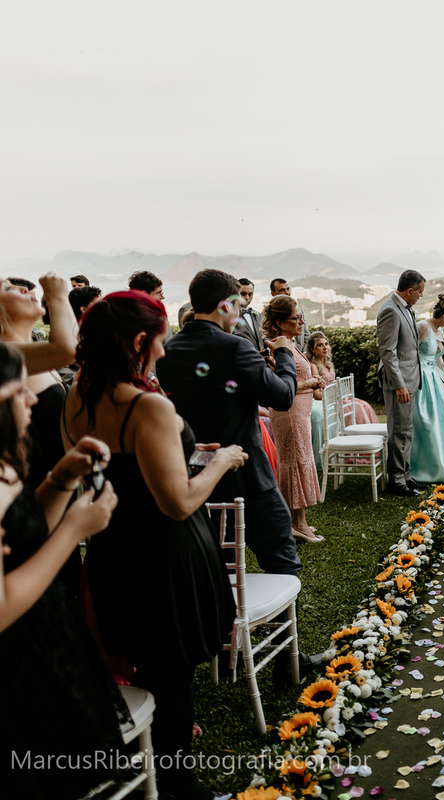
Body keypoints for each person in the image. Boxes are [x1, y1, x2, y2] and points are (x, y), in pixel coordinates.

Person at [65, 291, 247, 800]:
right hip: (164, 558)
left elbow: (110, 469)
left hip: (111, 549)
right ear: (140, 341)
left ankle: (155, 764)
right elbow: (177, 502)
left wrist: (186, 449)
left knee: (147, 664)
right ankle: (177, 785)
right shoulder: (147, 405)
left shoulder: (76, 396)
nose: (164, 352)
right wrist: (222, 460)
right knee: (172, 677)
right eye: (161, 341)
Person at [0, 348, 126, 798]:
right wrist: (74, 531)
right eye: (18, 391)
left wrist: (60, 480)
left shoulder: (5, 468)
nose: (31, 400)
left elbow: (27, 538)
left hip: (45, 639)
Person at [157, 269, 303, 581]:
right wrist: (284, 355)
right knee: (281, 556)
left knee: (214, 561)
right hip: (246, 473)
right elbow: (282, 397)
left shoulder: (167, 350)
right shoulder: (235, 347)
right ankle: (280, 622)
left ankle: (225, 622)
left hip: (195, 469)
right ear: (226, 305)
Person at [0, 275, 77, 487]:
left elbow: (73, 345)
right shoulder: (4, 355)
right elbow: (68, 349)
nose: (23, 289)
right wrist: (57, 295)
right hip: (34, 489)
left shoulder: (32, 350)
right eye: (7, 289)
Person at [263, 295, 325, 542]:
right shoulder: (281, 346)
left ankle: (298, 522)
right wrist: (311, 382)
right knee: (296, 463)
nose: (301, 322)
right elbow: (279, 384)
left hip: (298, 412)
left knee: (299, 461)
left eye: (301, 317)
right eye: (296, 318)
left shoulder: (289, 342)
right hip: (289, 414)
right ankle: (298, 525)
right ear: (280, 322)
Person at [377, 271, 425, 496]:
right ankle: (396, 481)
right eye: (420, 292)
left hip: (411, 379)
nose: (421, 296)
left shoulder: (405, 309)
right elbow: (388, 352)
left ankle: (405, 474)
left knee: (406, 430)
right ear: (410, 290)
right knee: (397, 431)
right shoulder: (390, 310)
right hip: (399, 383)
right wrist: (399, 385)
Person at [411, 294, 444, 484]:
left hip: (435, 379)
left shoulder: (440, 331)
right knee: (426, 423)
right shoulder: (422, 327)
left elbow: (437, 358)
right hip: (421, 379)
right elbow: (409, 354)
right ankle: (426, 469)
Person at [308, 330, 378, 424]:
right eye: (320, 345)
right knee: (358, 407)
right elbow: (316, 395)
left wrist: (341, 391)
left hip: (337, 398)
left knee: (365, 405)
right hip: (327, 402)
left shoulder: (327, 363)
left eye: (326, 344)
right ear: (312, 349)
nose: (325, 347)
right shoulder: (313, 366)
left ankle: (369, 434)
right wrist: (336, 395)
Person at [270, 278, 308, 351]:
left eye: (287, 289)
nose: (286, 292)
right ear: (273, 294)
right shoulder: (270, 314)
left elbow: (306, 334)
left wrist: (304, 352)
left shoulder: (299, 311)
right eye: (282, 290)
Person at [234, 278, 265, 352]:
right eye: (243, 294)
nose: (247, 297)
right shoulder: (230, 316)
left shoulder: (257, 315)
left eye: (250, 294)